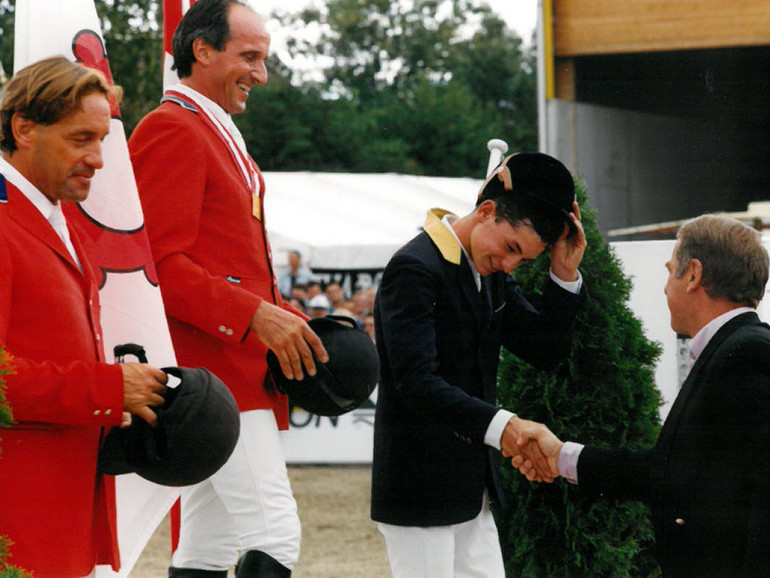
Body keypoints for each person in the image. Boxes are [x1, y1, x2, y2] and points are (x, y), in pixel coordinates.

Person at [128, 1, 328, 576]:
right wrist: (255, 317)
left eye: (263, 59)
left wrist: (285, 317)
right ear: (202, 50)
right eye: (250, 57)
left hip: (230, 365)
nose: (261, 75)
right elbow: (160, 264)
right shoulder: (172, 128)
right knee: (275, 535)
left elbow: (235, 266)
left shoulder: (213, 131)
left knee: (209, 544)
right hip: (217, 367)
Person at [515, 214, 770, 578]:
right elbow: (671, 472)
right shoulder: (733, 349)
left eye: (670, 272)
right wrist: (560, 457)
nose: (665, 288)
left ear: (693, 275)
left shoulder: (746, 353)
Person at [371, 152, 587, 577]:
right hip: (419, 491)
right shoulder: (414, 267)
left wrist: (563, 275)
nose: (509, 265)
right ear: (486, 211)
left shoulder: (489, 272)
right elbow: (417, 382)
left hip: (474, 491)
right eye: (510, 248)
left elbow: (543, 349)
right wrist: (504, 427)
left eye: (522, 260)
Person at [0, 57, 168, 578]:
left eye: (102, 140)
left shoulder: (52, 217)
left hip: (58, 512)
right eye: (80, 140)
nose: (98, 159)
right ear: (23, 129)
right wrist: (106, 390)